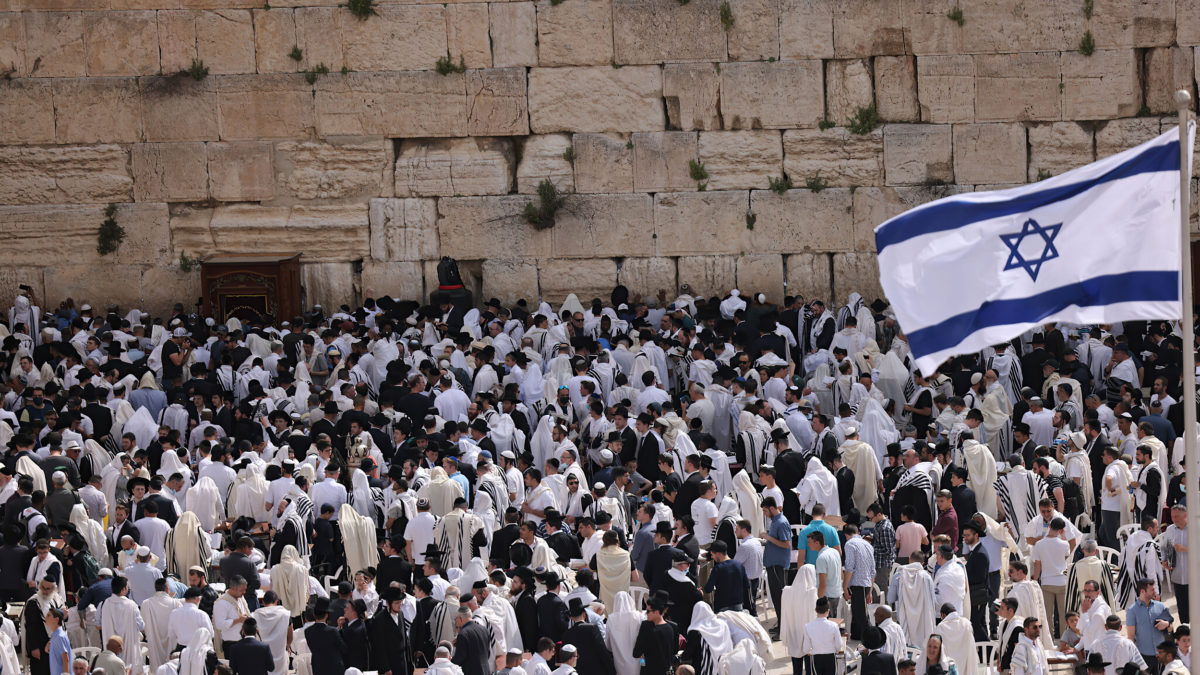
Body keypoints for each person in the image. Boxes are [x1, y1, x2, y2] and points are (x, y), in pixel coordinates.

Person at [1126, 579, 1173, 670]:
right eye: (1152, 590)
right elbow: (1131, 637)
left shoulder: (1160, 606)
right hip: (1144, 657)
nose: (1155, 592)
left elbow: (1171, 629)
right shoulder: (1132, 611)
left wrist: (1167, 624)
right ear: (1142, 591)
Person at [633, 592, 678, 675]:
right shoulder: (671, 627)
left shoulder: (646, 626)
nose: (646, 613)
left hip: (649, 670)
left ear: (657, 611)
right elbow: (674, 650)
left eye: (648, 611)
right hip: (665, 670)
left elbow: (636, 653)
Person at [702, 540, 750, 612]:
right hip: (738, 606)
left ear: (718, 554)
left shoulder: (717, 568)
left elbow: (708, 589)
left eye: (712, 554)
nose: (712, 557)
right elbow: (747, 585)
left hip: (722, 607)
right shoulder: (739, 565)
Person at [451, 606, 492, 675]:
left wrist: (449, 663)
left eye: (456, 619)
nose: (456, 621)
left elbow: (460, 658)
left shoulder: (463, 633)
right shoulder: (484, 629)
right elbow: (487, 652)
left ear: (460, 618)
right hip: (485, 670)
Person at [45, 607, 72, 675]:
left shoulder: (59, 636)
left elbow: (66, 659)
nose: (46, 617)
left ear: (56, 619)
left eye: (48, 615)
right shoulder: (56, 634)